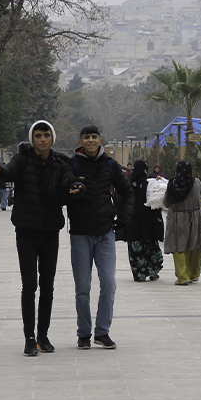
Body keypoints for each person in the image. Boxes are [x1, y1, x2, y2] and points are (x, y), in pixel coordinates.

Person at [0, 120, 83, 356]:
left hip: (51, 231)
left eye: (46, 135)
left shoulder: (61, 162)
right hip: (26, 230)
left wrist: (74, 187)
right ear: (32, 139)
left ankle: (43, 336)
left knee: (47, 286)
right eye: (38, 136)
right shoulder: (22, 159)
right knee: (29, 285)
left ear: (53, 139)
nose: (42, 140)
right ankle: (29, 338)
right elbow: (9, 172)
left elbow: (69, 179)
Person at [68, 125, 134, 350]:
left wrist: (123, 218)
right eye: (86, 137)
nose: (90, 140)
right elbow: (62, 188)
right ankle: (84, 333)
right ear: (80, 140)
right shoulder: (73, 164)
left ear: (100, 140)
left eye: (94, 137)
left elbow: (127, 191)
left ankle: (102, 331)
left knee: (108, 283)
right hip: (80, 233)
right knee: (83, 288)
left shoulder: (110, 165)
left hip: (105, 233)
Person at [118, 160, 164, 282]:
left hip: (132, 222)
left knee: (135, 248)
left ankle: (138, 273)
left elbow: (120, 200)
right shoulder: (149, 184)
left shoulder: (127, 184)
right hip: (148, 223)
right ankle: (152, 271)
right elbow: (157, 202)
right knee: (150, 246)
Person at [163, 160, 201, 285]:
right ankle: (193, 274)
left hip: (178, 218)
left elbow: (166, 202)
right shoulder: (196, 182)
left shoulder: (172, 184)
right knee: (195, 245)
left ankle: (182, 276)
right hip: (195, 218)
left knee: (179, 246)